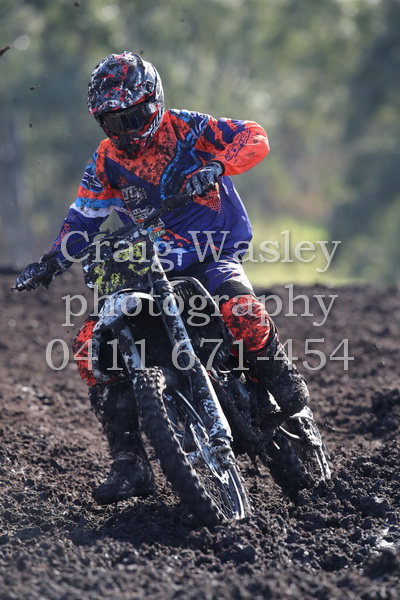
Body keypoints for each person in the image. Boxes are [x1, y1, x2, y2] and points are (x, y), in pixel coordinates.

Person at [16, 52, 309, 505]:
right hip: (149, 263)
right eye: (112, 123)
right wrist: (52, 259)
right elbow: (83, 216)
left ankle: (281, 377)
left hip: (210, 250)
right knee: (89, 346)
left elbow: (254, 135)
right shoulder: (106, 160)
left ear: (154, 103)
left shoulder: (187, 128)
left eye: (133, 118)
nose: (125, 131)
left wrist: (217, 166)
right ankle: (129, 462)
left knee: (240, 309)